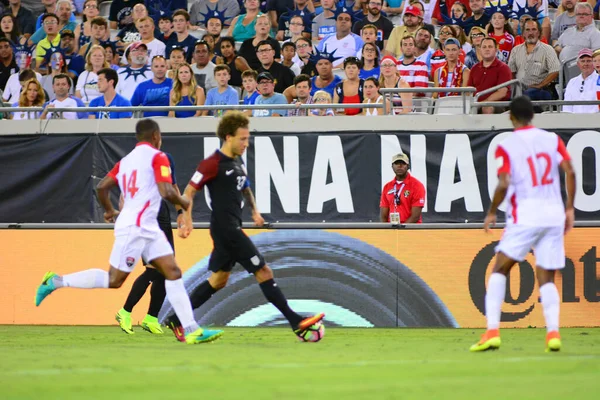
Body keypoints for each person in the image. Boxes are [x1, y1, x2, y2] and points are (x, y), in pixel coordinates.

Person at [35, 118, 223, 345]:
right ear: (155, 136)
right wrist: (184, 201)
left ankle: (192, 329)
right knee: (114, 280)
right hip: (135, 226)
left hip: (147, 226)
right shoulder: (158, 156)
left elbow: (102, 186)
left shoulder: (126, 161)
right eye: (160, 135)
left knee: (172, 271)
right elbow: (166, 190)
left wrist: (108, 210)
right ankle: (55, 281)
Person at [164, 111, 325, 342]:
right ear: (228, 137)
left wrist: (254, 211)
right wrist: (186, 219)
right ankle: (295, 321)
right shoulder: (211, 163)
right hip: (226, 230)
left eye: (247, 139)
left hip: (230, 227)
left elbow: (245, 188)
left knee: (218, 281)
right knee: (264, 271)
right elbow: (188, 192)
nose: (246, 143)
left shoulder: (236, 162)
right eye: (242, 138)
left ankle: (175, 320)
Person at [471, 96, 576, 353]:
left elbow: (505, 183)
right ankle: (552, 333)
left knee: (499, 269)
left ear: (510, 117)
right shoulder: (552, 139)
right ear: (533, 115)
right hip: (553, 215)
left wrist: (492, 211)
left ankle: (492, 331)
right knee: (547, 277)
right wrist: (570, 207)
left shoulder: (506, 146)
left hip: (525, 216)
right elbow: (570, 171)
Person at [115, 149, 182, 335]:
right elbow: (124, 195)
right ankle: (125, 311)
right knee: (154, 269)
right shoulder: (134, 162)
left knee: (165, 271)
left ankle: (151, 317)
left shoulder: (166, 159)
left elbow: (173, 187)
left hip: (162, 216)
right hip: (146, 217)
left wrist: (181, 212)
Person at [468, 37, 512, 114]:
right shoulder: (474, 68)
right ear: (480, 50)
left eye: (490, 47)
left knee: (487, 108)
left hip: (496, 105)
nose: (487, 49)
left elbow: (502, 93)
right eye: (484, 47)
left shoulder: (503, 68)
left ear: (496, 50)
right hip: (476, 104)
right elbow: (468, 91)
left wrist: (483, 103)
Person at [379, 153, 425, 224]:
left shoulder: (417, 185)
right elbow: (383, 215)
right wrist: (387, 230)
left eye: (403, 163)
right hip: (392, 230)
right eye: (397, 163)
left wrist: (402, 230)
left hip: (411, 230)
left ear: (408, 166)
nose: (399, 166)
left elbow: (415, 216)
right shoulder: (387, 187)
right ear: (392, 166)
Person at [563, 48, 600, 113]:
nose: (585, 64)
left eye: (588, 61)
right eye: (583, 61)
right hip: (574, 120)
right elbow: (567, 106)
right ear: (578, 64)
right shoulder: (572, 82)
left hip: (594, 120)